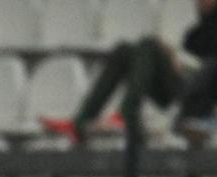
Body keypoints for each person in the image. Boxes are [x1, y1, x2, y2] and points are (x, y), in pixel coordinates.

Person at [41, 0, 217, 144]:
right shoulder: (196, 32)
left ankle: (126, 114)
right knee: (124, 51)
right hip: (185, 87)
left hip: (203, 95)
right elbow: (191, 54)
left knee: (149, 44)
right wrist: (174, 56)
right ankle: (81, 122)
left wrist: (181, 61)